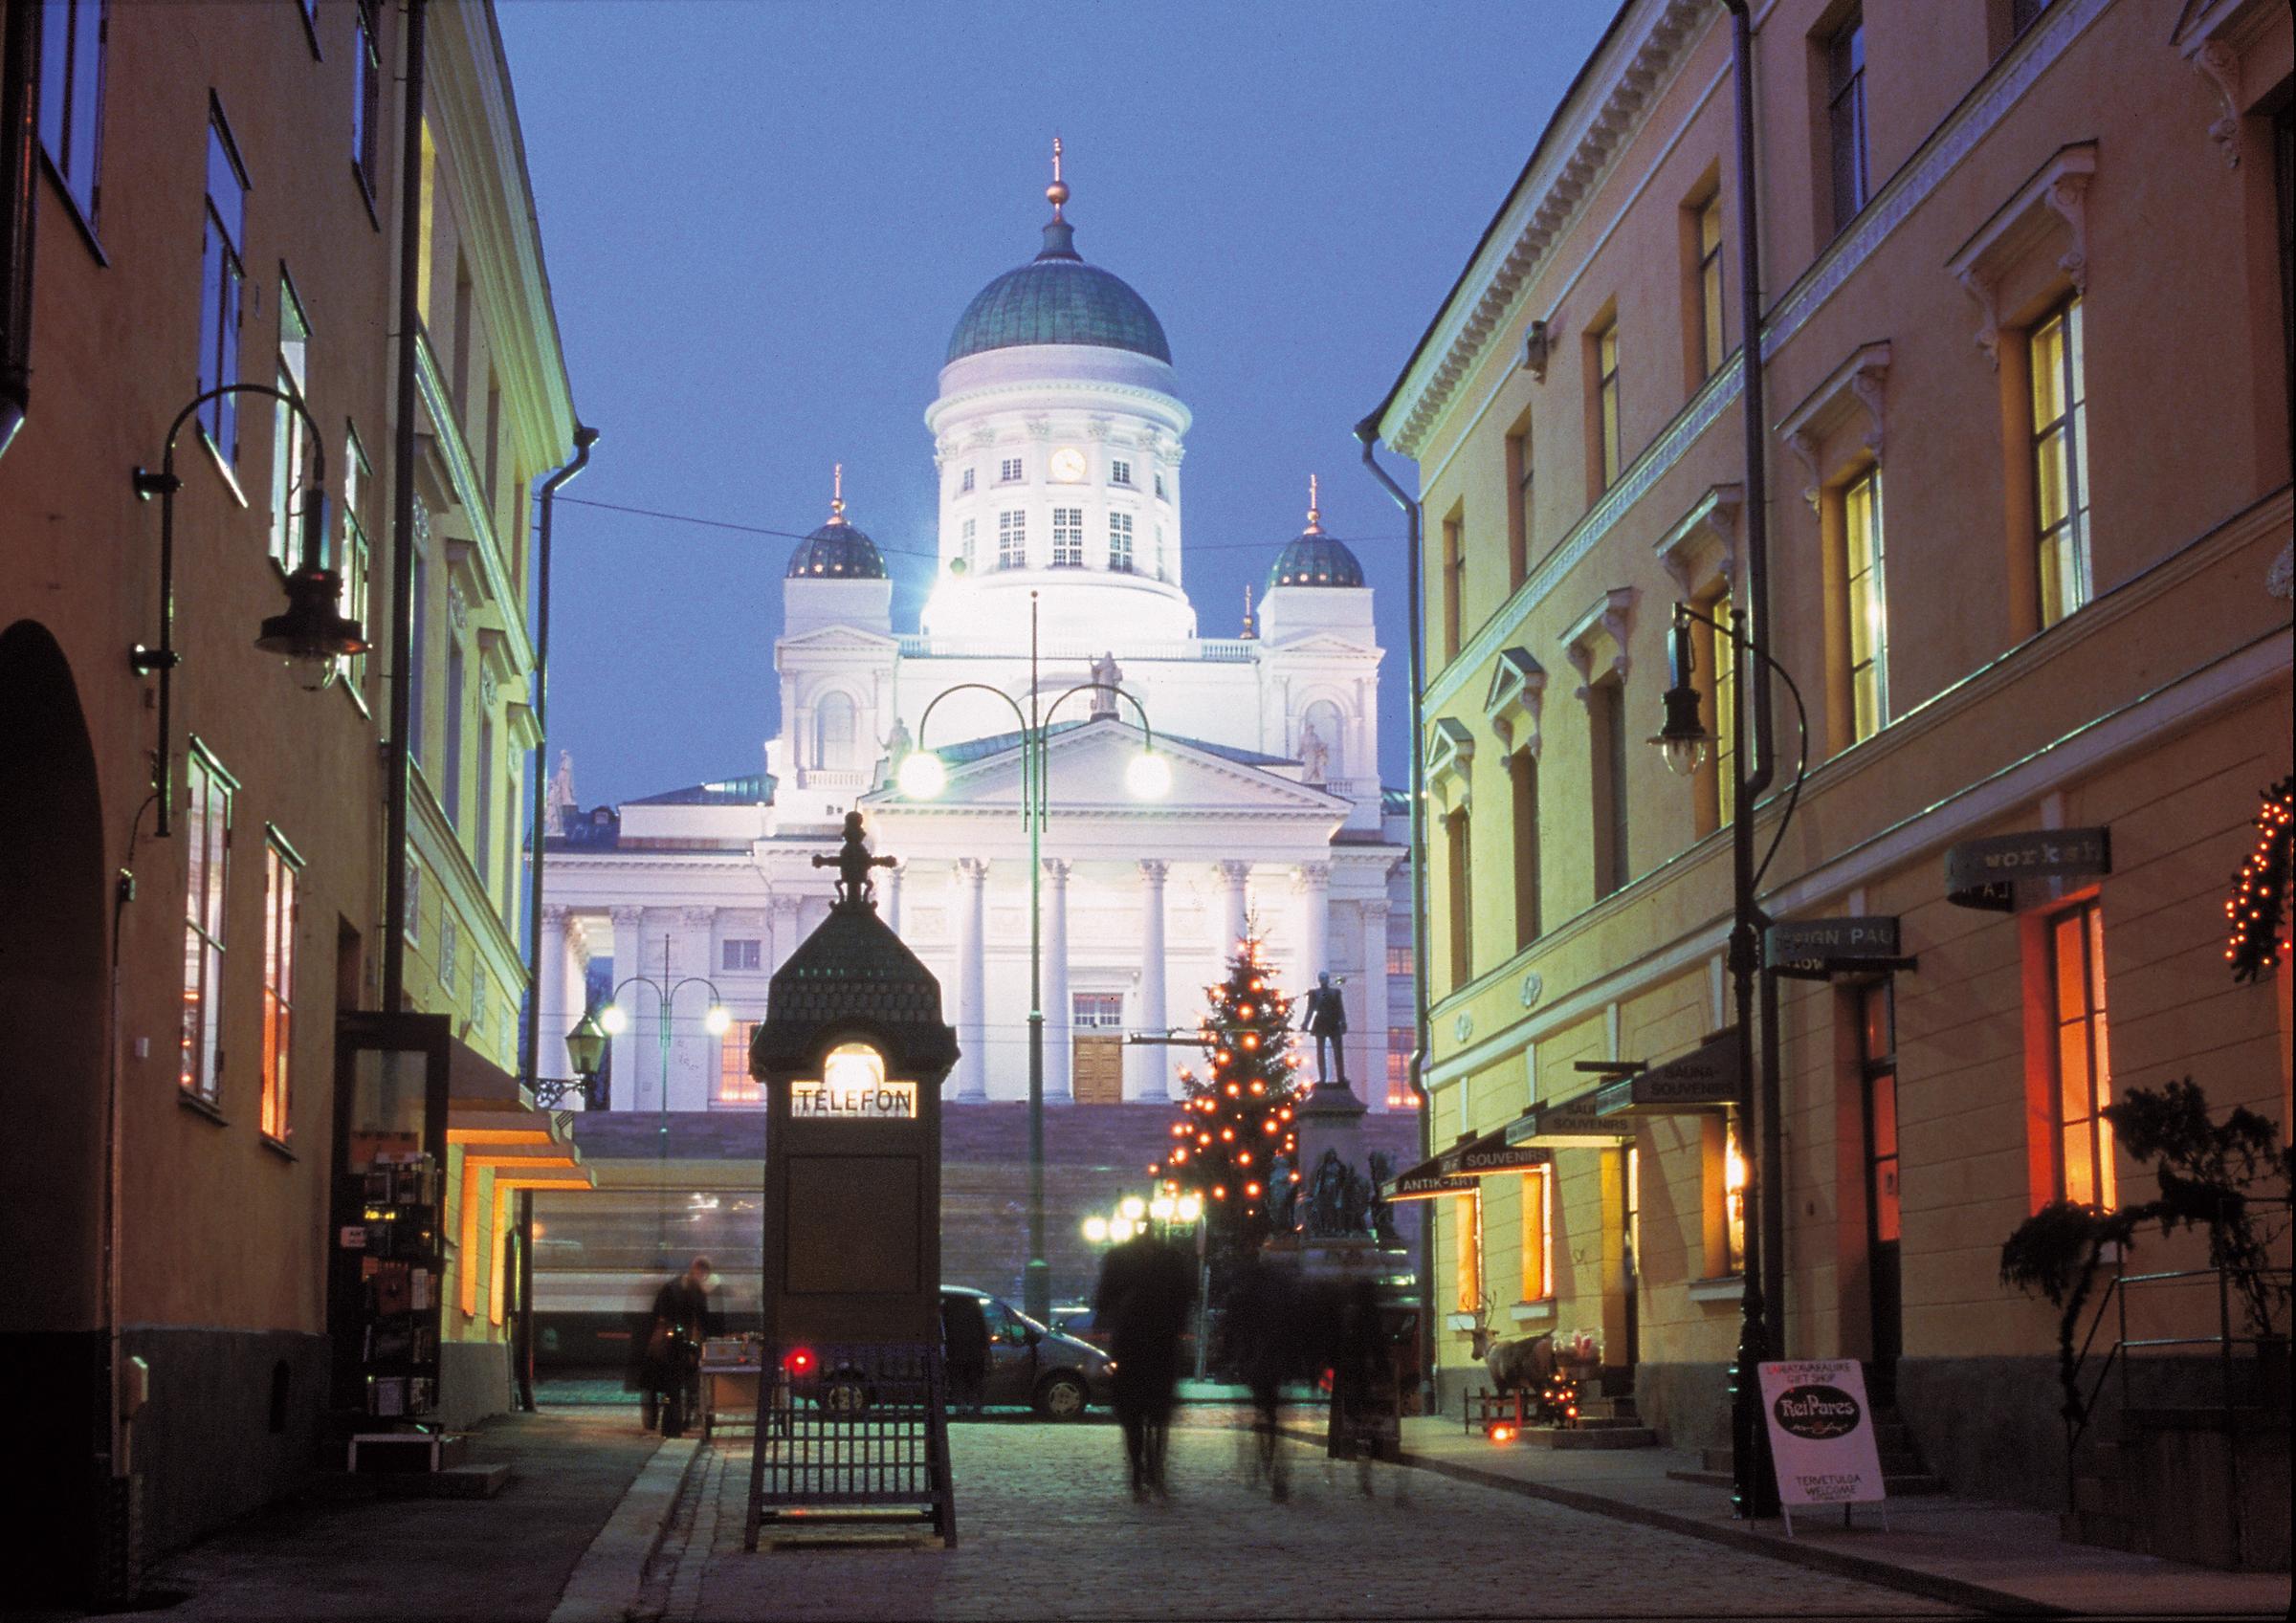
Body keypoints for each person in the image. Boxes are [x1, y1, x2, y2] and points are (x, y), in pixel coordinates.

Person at [1093, 1231, 1195, 1502]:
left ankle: (1138, 1472)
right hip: (1162, 1344)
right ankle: (1155, 1470)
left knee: (1131, 1416)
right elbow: (1186, 1300)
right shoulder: (1172, 1258)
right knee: (1159, 1413)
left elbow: (1102, 1302)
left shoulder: (1118, 1258)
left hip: (1130, 1344)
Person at [641, 1257, 718, 1437]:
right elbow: (703, 1317)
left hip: (670, 1343)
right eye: (703, 1274)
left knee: (670, 1382)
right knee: (684, 1380)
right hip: (679, 1343)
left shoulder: (672, 1286)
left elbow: (657, 1313)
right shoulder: (693, 1290)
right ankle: (680, 1419)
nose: (703, 1278)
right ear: (699, 1271)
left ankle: (672, 1419)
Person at [940, 1292, 989, 1416]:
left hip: (955, 1350)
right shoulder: (974, 1306)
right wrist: (985, 1348)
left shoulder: (947, 1307)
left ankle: (960, 1405)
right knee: (974, 1380)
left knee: (958, 1379)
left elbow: (945, 1328)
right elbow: (983, 1329)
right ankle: (975, 1406)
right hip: (974, 1351)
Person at [1297, 971, 1349, 1086]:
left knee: (1338, 1052)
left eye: (1325, 978)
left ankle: (1341, 1077)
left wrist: (1343, 1022)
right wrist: (1305, 1023)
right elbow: (1310, 1010)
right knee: (1320, 1053)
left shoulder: (1335, 993)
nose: (1324, 981)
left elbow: (1340, 1009)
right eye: (1322, 979)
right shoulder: (1314, 994)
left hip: (1333, 1023)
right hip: (1320, 1023)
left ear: (1328, 979)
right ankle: (1322, 1079)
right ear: (1320, 980)